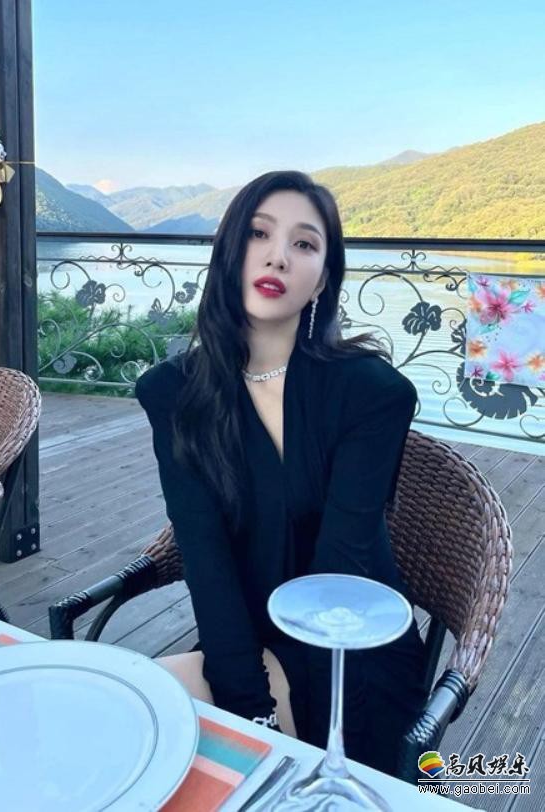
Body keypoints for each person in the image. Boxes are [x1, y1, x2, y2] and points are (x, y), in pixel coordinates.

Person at [134, 170, 429, 777]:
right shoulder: (174, 392)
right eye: (259, 234)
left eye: (304, 243)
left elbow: (339, 571)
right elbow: (204, 556)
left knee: (190, 752)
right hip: (241, 637)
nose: (277, 257)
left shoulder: (371, 394)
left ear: (322, 277)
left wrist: (262, 708)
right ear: (229, 251)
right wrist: (249, 701)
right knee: (133, 716)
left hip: (345, 651)